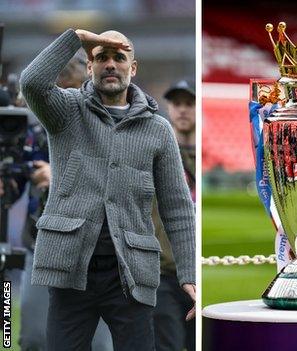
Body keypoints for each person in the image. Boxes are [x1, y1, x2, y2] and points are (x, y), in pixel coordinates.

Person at [20, 29, 195, 350]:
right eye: (101, 57)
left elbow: (178, 208)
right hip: (70, 269)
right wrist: (75, 38)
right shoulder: (66, 111)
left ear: (134, 67)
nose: (110, 64)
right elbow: (31, 83)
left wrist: (190, 273)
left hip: (131, 275)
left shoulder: (158, 129)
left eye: (119, 57)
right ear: (89, 67)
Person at [18, 52, 114, 351]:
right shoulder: (31, 132)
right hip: (40, 242)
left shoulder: (107, 125)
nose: (67, 100)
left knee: (98, 345)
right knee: (32, 338)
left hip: (93, 250)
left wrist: (56, 175)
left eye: (74, 89)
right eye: (60, 91)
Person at [153, 79, 196, 351]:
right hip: (165, 271)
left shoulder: (206, 158)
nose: (182, 110)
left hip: (198, 273)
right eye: (176, 104)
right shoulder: (157, 154)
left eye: (189, 103)